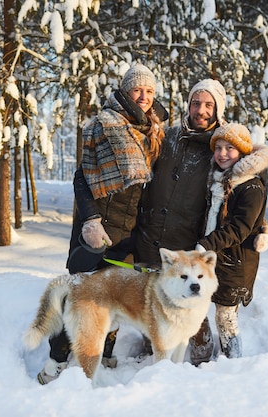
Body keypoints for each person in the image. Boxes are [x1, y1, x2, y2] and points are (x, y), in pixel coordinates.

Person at [36, 63, 168, 384]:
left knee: (116, 297)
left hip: (131, 232)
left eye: (149, 91)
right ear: (125, 91)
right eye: (137, 89)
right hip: (99, 228)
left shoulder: (155, 132)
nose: (144, 96)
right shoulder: (102, 125)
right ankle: (56, 361)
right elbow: (82, 177)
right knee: (80, 298)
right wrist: (91, 220)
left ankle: (104, 354)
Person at [134, 78, 227, 365]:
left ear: (217, 110)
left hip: (188, 245)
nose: (201, 110)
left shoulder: (220, 147)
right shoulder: (168, 136)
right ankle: (154, 355)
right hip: (151, 237)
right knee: (152, 303)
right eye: (196, 103)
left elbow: (243, 183)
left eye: (208, 105)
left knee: (192, 312)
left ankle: (202, 361)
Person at [195, 123, 268, 358]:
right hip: (213, 258)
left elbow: (240, 228)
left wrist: (207, 243)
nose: (222, 153)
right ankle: (203, 354)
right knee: (197, 306)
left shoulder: (250, 186)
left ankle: (233, 360)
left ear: (243, 152)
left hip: (236, 263)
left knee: (225, 316)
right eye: (218, 147)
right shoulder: (218, 180)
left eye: (230, 148)